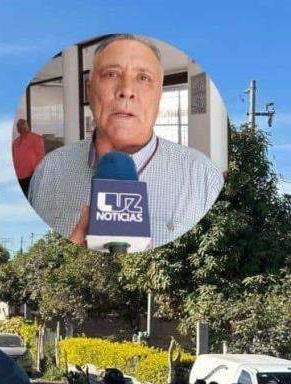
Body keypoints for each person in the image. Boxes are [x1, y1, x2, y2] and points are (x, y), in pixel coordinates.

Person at [27, 34, 223, 249]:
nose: (126, 91)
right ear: (89, 90)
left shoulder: (204, 177)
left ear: (159, 94)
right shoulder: (49, 170)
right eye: (111, 74)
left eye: (143, 78)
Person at [12, 119, 45, 198]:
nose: (21, 127)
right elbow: (14, 158)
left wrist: (37, 171)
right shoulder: (15, 142)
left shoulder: (36, 138)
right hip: (18, 176)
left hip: (32, 175)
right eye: (18, 125)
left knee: (32, 198)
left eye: (23, 124)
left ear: (27, 126)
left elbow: (41, 156)